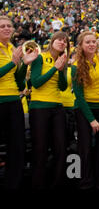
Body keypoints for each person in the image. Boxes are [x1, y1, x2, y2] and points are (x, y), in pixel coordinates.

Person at [72, 31, 99, 189]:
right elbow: (79, 96)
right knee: (84, 148)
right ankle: (85, 183)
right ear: (81, 46)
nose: (91, 44)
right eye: (87, 42)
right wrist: (91, 119)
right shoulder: (76, 65)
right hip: (85, 109)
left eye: (93, 41)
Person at [0, 16, 38, 189]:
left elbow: (19, 82)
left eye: (9, 26)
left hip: (14, 101)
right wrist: (13, 62)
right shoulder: (12, 53)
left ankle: (12, 185)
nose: (6, 28)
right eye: (2, 26)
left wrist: (23, 64)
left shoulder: (12, 49)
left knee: (17, 146)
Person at [29, 31, 69, 189]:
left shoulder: (62, 60)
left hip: (57, 107)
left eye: (65, 41)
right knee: (40, 149)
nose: (62, 42)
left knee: (60, 148)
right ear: (52, 41)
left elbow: (63, 86)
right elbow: (36, 83)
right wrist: (54, 68)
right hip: (39, 108)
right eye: (59, 39)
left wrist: (60, 70)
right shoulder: (40, 57)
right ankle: (38, 184)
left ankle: (57, 184)